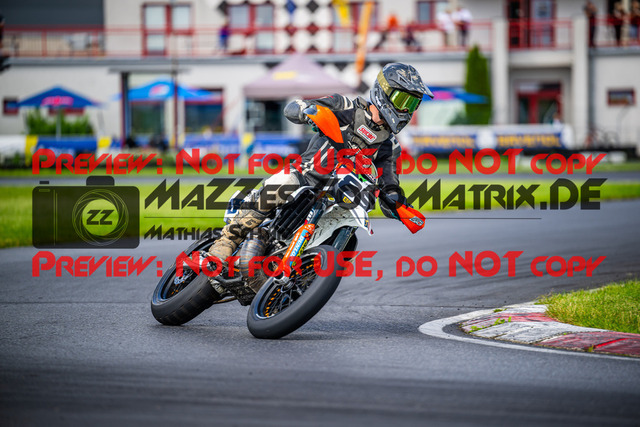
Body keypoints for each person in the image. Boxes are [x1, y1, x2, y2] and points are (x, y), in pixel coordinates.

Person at [207, 63, 434, 275]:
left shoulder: (389, 145)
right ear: (383, 91)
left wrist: (396, 201)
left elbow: (389, 181)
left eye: (412, 104)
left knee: (350, 229)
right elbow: (294, 107)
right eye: (403, 100)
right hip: (306, 177)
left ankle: (301, 279)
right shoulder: (344, 105)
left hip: (343, 198)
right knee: (284, 184)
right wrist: (307, 112)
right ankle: (227, 240)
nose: (406, 109)